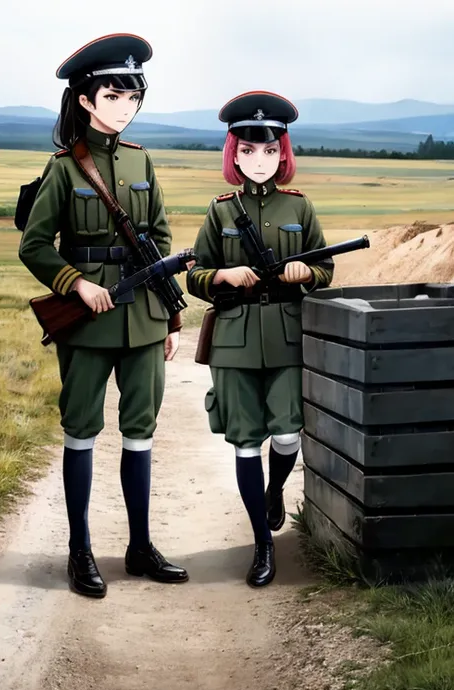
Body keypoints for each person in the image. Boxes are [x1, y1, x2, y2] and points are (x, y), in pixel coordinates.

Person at [19, 33, 189, 598]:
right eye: (115, 94)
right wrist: (76, 284)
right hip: (86, 323)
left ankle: (139, 547)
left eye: (133, 96)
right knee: (82, 433)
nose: (126, 105)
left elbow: (160, 239)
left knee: (141, 433)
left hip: (141, 319)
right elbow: (36, 245)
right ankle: (80, 552)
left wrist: (166, 319)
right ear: (86, 99)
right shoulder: (65, 169)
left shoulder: (142, 161)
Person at [187, 91, 334, 587]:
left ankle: (274, 494)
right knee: (246, 442)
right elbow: (196, 276)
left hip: (289, 336)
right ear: (234, 153)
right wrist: (225, 278)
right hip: (234, 340)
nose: (259, 160)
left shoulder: (300, 206)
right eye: (248, 151)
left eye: (269, 150)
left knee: (289, 429)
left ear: (283, 153)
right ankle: (262, 544)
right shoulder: (221, 210)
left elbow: (325, 268)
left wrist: (304, 272)